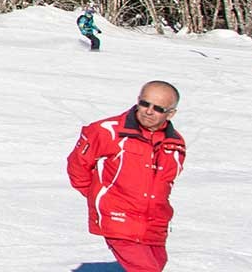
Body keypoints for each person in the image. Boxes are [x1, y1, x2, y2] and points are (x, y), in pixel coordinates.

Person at [67, 81, 186, 272]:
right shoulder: (109, 130)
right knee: (145, 269)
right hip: (118, 219)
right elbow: (77, 165)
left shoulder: (175, 143)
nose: (148, 111)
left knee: (156, 265)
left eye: (157, 108)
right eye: (145, 103)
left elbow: (165, 184)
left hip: (154, 222)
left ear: (170, 113)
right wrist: (101, 197)